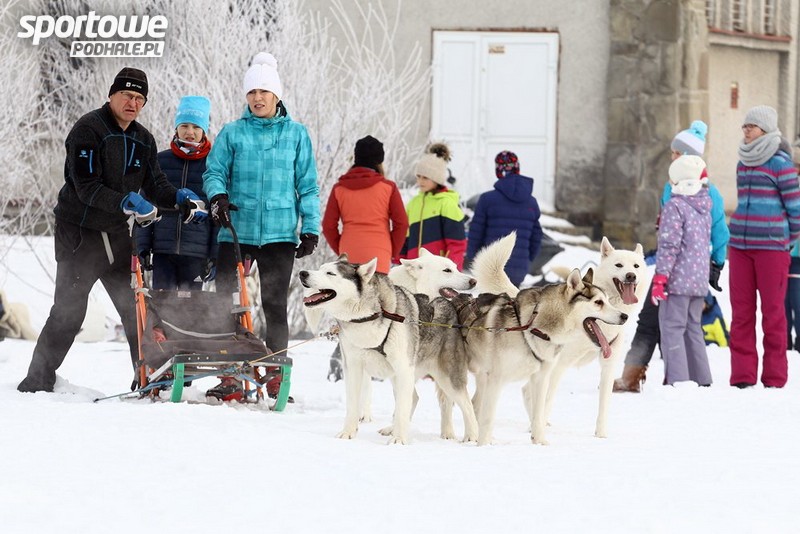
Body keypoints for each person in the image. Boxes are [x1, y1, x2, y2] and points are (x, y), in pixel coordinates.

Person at [17, 67, 208, 393]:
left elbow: (156, 184)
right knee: (69, 312)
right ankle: (37, 381)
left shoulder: (143, 139)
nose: (133, 103)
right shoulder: (88, 129)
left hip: (117, 235)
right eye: (127, 95)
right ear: (112, 95)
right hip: (79, 234)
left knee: (137, 310)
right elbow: (85, 187)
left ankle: (149, 380)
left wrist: (179, 199)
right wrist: (126, 201)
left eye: (139, 98)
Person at [203, 52, 320, 401]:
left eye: (263, 92)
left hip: (279, 234)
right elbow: (214, 172)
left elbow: (308, 186)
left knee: (274, 306)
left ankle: (275, 376)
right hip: (235, 231)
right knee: (225, 304)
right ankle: (230, 375)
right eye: (252, 92)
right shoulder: (232, 133)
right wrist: (218, 197)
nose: (257, 98)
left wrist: (310, 228)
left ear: (276, 95)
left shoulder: (296, 134)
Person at [614, 120, 729, 392]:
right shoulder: (680, 188)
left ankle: (671, 378)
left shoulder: (701, 192)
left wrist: (717, 262)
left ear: (689, 157)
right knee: (670, 323)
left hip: (678, 272)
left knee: (667, 325)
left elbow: (719, 232)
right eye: (672, 152)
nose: (672, 157)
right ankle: (639, 376)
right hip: (690, 269)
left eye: (677, 153)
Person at [729, 105, 800, 388]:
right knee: (741, 313)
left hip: (772, 249)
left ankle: (774, 376)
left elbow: (796, 211)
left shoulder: (781, 164)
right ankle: (743, 376)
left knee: (773, 314)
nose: (746, 130)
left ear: (766, 129)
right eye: (745, 126)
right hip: (739, 247)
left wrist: (785, 243)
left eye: (752, 126)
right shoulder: (742, 162)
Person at [136, 95, 217, 290]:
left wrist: (215, 256)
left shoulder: (213, 166)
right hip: (163, 251)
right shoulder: (159, 161)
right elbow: (144, 207)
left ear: (204, 130)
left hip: (197, 254)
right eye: (184, 125)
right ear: (176, 127)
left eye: (196, 127)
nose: (190, 132)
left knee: (193, 307)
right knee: (163, 305)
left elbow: (218, 216)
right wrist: (142, 247)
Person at [650, 155, 713, 386]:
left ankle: (678, 380)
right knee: (693, 327)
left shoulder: (674, 207)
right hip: (698, 280)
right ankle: (701, 378)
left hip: (677, 280)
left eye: (672, 179)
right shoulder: (703, 207)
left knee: (672, 327)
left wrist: (660, 278)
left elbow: (669, 245)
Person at [322, 135, 409, 273]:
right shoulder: (388, 187)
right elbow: (402, 223)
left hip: (348, 250)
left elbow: (328, 226)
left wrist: (341, 248)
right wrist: (392, 250)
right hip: (379, 252)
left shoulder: (339, 188)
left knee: (349, 287)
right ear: (379, 162)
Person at [464, 150, 543, 286]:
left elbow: (476, 233)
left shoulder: (487, 199)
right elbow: (537, 236)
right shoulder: (531, 202)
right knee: (512, 298)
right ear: (517, 168)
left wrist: (473, 259)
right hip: (519, 267)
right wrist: (527, 259)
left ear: (498, 171)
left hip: (490, 265)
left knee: (490, 299)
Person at [400, 142, 467, 269]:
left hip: (437, 270)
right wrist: (400, 262)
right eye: (418, 176)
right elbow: (405, 238)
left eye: (425, 178)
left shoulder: (446, 204)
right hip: (414, 269)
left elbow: (456, 244)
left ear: (437, 179)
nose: (420, 181)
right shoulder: (413, 204)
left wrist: (450, 270)